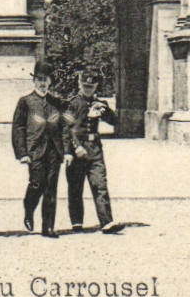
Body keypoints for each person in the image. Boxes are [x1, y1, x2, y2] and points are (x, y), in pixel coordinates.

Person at [11, 61, 67, 236]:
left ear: (50, 81)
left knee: (51, 188)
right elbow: (18, 128)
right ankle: (29, 210)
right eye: (39, 79)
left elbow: (65, 126)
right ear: (34, 81)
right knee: (36, 184)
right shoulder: (25, 102)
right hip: (34, 150)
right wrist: (22, 153)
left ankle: (48, 227)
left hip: (54, 151)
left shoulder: (56, 102)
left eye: (46, 80)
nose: (43, 83)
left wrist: (66, 151)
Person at [63, 69, 119, 233]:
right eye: (85, 86)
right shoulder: (72, 104)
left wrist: (105, 111)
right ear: (79, 84)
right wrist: (72, 149)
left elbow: (114, 121)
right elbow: (66, 128)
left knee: (100, 184)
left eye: (91, 86)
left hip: (94, 150)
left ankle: (106, 222)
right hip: (77, 151)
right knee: (75, 187)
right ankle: (77, 222)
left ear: (96, 86)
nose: (88, 89)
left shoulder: (99, 103)